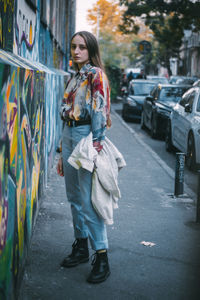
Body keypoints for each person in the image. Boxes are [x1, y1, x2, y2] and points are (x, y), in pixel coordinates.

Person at [56, 31, 111, 284]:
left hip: (85, 136)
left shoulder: (95, 75)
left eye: (82, 47)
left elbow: (100, 111)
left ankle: (102, 257)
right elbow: (66, 115)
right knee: (74, 198)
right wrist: (60, 151)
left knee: (88, 202)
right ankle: (81, 246)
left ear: (91, 50)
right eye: (73, 47)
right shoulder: (75, 76)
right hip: (69, 136)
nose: (76, 51)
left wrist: (96, 147)